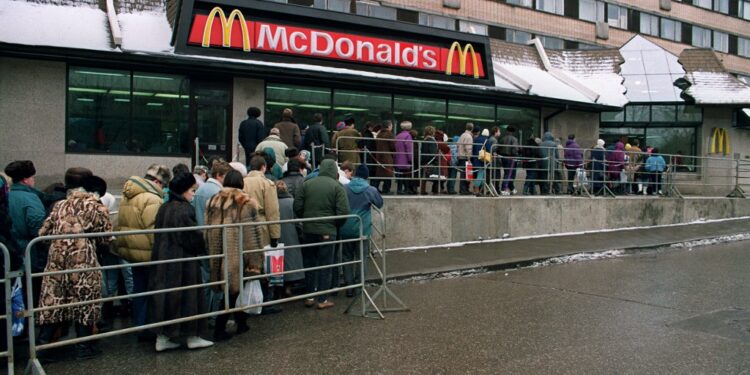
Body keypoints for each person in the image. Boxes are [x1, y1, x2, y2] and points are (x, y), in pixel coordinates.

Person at [35, 175, 112, 360]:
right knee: (84, 300)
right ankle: (83, 347)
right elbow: (105, 236)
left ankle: (43, 348)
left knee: (54, 301)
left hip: (57, 260)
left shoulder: (60, 205)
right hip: (82, 259)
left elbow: (42, 232)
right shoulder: (95, 206)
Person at [149, 172, 213, 351]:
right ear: (184, 190)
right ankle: (193, 335)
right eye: (192, 190)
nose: (193, 194)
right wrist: (201, 244)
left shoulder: (165, 207)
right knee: (189, 297)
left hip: (162, 258)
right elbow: (191, 237)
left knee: (165, 298)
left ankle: (162, 337)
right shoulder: (184, 209)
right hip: (183, 261)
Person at [204, 170, 262, 341]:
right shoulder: (246, 202)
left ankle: (241, 322)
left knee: (230, 289)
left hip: (217, 251)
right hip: (237, 252)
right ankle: (220, 328)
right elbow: (252, 235)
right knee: (234, 290)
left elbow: (207, 228)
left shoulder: (213, 200)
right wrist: (256, 261)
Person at [115, 164, 171, 334]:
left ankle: (140, 325)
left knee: (139, 290)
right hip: (148, 253)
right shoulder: (151, 198)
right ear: (157, 181)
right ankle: (150, 328)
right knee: (152, 291)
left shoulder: (129, 195)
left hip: (131, 251)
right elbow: (154, 229)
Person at [293, 159, 350, 309]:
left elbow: (297, 206)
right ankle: (322, 299)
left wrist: (306, 220)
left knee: (310, 263)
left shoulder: (307, 184)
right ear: (334, 171)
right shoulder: (337, 186)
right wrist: (335, 226)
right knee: (325, 264)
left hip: (308, 230)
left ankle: (309, 296)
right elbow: (343, 212)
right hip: (327, 231)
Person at [340, 165, 383, 297]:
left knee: (347, 257)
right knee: (361, 258)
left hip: (345, 228)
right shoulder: (371, 189)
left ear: (355, 174)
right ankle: (359, 287)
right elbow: (379, 203)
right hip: (362, 229)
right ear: (367, 176)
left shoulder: (344, 188)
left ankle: (349, 287)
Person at [4, 161, 46, 272]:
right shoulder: (31, 198)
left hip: (8, 248)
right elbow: (37, 225)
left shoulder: (6, 196)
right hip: (27, 252)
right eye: (33, 177)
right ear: (25, 180)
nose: (34, 180)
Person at [274, 181, 305, 296]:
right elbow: (298, 220)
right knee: (291, 261)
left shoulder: (273, 202)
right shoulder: (292, 202)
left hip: (277, 235)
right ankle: (289, 287)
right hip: (292, 235)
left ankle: (278, 289)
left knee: (277, 261)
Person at [374, 120, 396, 194]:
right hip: (387, 156)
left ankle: (375, 188)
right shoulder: (389, 134)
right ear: (389, 126)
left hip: (379, 156)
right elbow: (393, 146)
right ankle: (386, 190)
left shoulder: (379, 134)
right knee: (388, 173)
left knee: (379, 174)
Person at [394, 121, 415, 195]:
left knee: (400, 175)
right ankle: (406, 189)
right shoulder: (408, 136)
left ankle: (399, 189)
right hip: (405, 159)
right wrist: (410, 159)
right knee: (406, 175)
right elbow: (409, 149)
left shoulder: (398, 135)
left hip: (397, 158)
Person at [498, 126, 520, 195]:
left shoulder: (502, 139)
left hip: (503, 157)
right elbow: (515, 149)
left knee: (507, 173)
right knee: (510, 174)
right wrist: (516, 156)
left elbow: (499, 149)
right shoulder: (514, 139)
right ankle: (503, 188)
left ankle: (512, 188)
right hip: (511, 158)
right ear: (512, 132)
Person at [419, 126, 439, 195]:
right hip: (431, 161)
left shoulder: (425, 140)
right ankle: (435, 190)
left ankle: (422, 190)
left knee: (424, 176)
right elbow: (433, 152)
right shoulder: (432, 140)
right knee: (436, 176)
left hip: (424, 160)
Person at [457, 123, 474, 195]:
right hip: (465, 157)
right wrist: (469, 158)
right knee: (466, 174)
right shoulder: (469, 137)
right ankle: (464, 190)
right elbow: (468, 148)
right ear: (472, 128)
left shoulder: (462, 135)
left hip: (460, 156)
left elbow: (457, 144)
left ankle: (462, 189)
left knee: (462, 174)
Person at [471, 127, 489, 196]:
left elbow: (473, 149)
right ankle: (476, 189)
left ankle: (477, 188)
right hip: (482, 160)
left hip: (475, 159)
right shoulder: (486, 140)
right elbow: (489, 150)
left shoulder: (476, 139)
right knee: (480, 175)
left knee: (481, 175)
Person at [435, 129, 451, 194]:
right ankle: (439, 189)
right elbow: (447, 149)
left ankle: (438, 189)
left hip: (437, 160)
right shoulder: (441, 143)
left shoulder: (435, 141)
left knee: (437, 175)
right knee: (442, 175)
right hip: (441, 161)